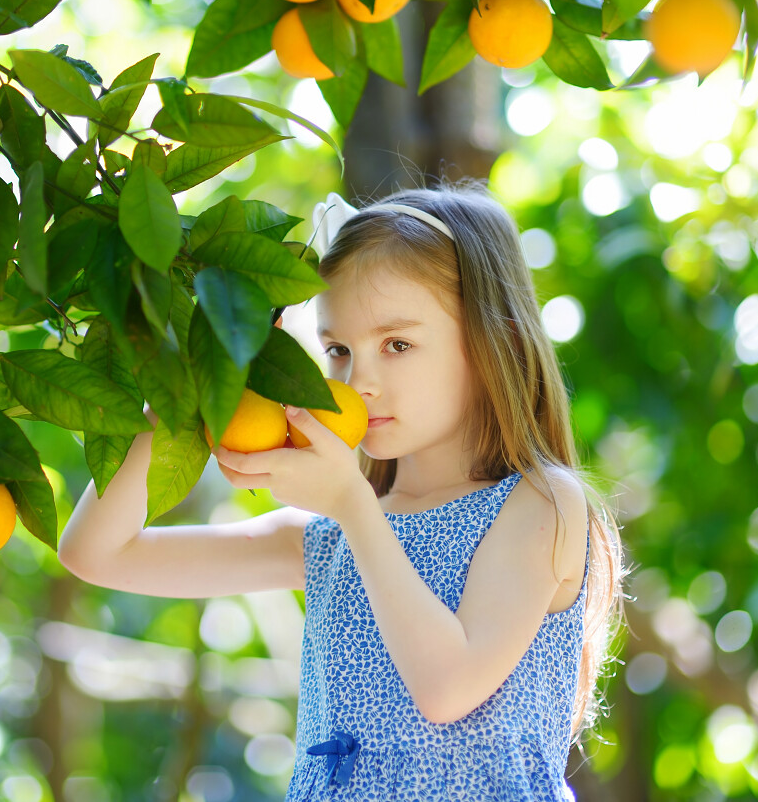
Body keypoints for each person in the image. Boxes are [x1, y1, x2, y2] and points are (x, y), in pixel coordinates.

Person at [57, 181, 626, 800]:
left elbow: (446, 687)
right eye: (337, 350)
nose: (360, 381)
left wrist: (353, 507)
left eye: (398, 344)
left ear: (495, 341)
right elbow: (96, 552)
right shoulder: (327, 538)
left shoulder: (541, 504)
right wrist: (181, 389)